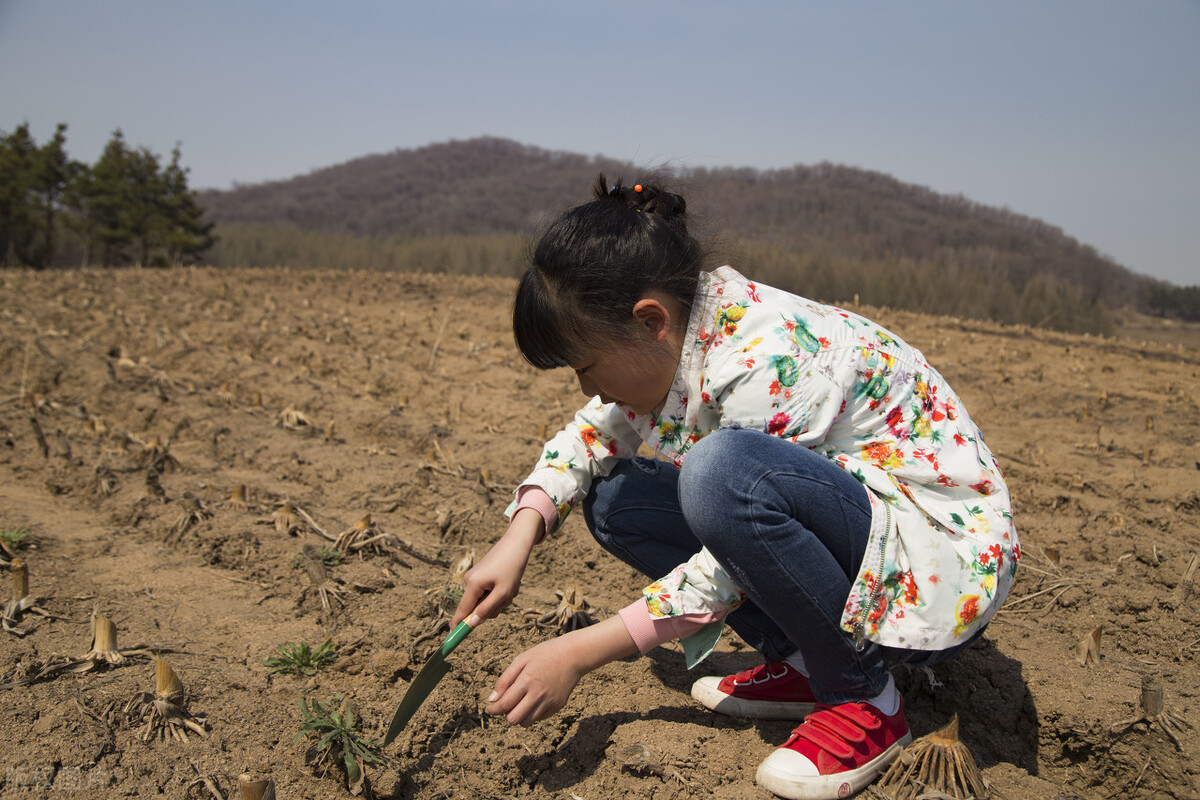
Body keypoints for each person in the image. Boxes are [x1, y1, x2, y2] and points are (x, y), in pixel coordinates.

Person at [451, 174, 1019, 800]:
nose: (586, 387)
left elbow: (730, 551)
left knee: (720, 475)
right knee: (617, 501)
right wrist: (519, 535)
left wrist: (583, 650)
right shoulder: (682, 339)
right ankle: (807, 663)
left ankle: (863, 700)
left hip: (934, 559)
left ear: (649, 322)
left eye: (585, 367)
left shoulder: (763, 358)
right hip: (861, 534)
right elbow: (592, 433)